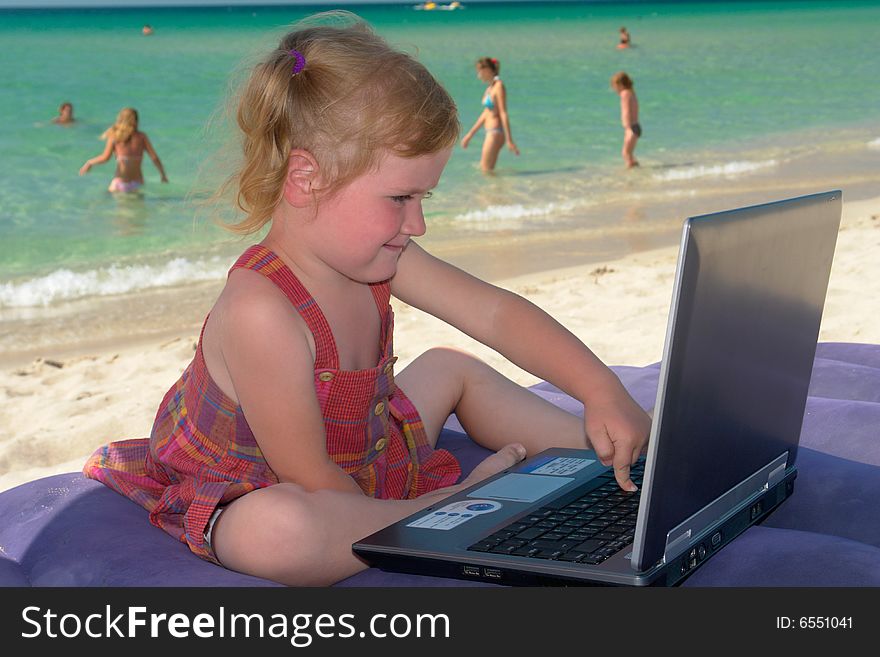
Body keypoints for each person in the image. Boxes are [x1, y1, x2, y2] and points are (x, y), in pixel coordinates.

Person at [83, 14, 650, 586]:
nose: (418, 223)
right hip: (274, 481)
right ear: (307, 177)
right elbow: (313, 481)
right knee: (276, 530)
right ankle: (451, 515)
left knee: (453, 367)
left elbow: (494, 313)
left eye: (423, 196)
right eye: (401, 197)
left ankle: (618, 458)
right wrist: (459, 501)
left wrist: (600, 392)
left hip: (366, 453)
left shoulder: (382, 257)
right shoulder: (262, 311)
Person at [79, 107, 168, 193]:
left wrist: (89, 162)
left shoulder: (115, 137)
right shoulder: (142, 137)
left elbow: (105, 158)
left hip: (119, 183)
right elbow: (154, 157)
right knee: (137, 208)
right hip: (137, 183)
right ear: (136, 120)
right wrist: (163, 175)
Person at [460, 57, 520, 172]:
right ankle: (496, 188)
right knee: (488, 169)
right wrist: (470, 135)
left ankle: (492, 189)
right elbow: (486, 114)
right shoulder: (489, 88)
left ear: (487, 69)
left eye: (479, 71)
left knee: (485, 170)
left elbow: (503, 112)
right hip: (491, 132)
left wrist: (509, 139)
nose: (478, 74)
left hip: (495, 132)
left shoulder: (499, 87)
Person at [611, 71, 641, 168]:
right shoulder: (631, 92)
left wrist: (627, 126)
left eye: (615, 86)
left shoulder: (625, 94)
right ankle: (636, 168)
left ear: (620, 84)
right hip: (635, 126)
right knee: (629, 154)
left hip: (631, 127)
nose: (615, 90)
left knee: (626, 153)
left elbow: (627, 110)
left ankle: (631, 172)